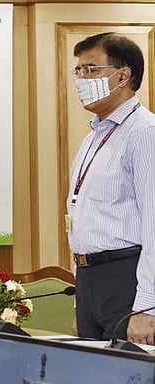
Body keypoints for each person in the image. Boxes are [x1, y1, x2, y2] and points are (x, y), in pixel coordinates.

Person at [67, 33, 155, 343]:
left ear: (123, 75)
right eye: (78, 71)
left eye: (91, 69)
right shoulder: (92, 139)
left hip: (126, 278)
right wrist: (81, 303)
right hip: (90, 279)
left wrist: (148, 307)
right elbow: (81, 221)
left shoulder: (145, 133)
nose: (81, 79)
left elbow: (154, 225)